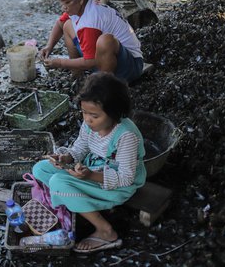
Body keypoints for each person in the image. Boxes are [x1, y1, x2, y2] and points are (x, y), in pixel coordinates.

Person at [31, 72, 146, 253]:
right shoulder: (89, 125)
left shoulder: (126, 136)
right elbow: (80, 148)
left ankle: (105, 231)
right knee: (40, 169)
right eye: (84, 112)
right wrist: (67, 158)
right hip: (90, 168)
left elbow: (125, 178)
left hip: (115, 185)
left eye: (94, 115)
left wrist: (90, 175)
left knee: (57, 184)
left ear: (114, 113)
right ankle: (75, 202)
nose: (87, 119)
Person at [39, 0, 144, 83]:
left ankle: (104, 85)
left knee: (105, 41)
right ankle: (77, 75)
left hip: (130, 66)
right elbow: (60, 24)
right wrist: (49, 46)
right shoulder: (82, 6)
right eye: (61, 2)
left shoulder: (90, 21)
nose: (63, 7)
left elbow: (91, 61)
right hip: (108, 58)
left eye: (67, 2)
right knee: (67, 25)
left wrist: (61, 63)